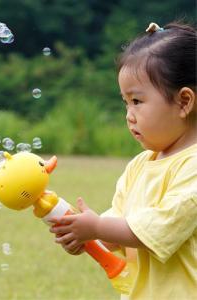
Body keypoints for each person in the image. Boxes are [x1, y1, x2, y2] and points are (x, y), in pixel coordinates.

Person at [49, 21, 197, 299]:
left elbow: (155, 231)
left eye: (137, 101)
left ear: (184, 102)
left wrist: (95, 227)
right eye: (125, 102)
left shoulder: (193, 167)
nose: (129, 114)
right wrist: (84, 234)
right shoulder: (139, 165)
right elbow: (115, 232)